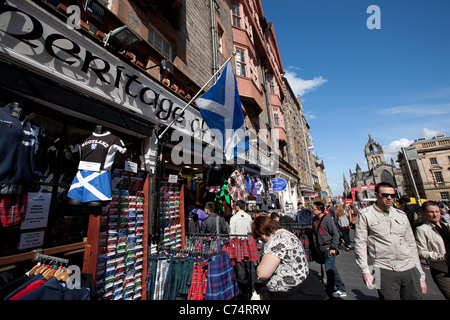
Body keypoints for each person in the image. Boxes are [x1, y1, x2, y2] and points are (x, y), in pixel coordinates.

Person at [354, 182, 427, 300]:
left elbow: (411, 244)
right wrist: (365, 270)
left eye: (392, 195)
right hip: (382, 268)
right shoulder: (365, 214)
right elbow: (360, 243)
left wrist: (420, 275)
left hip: (409, 267)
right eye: (385, 195)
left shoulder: (401, 215)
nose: (389, 198)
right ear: (377, 195)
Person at [251, 215, 327, 300]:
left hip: (291, 293)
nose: (261, 240)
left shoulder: (276, 240)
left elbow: (263, 273)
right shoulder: (287, 234)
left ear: (262, 232)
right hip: (302, 286)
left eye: (259, 237)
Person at [415, 201, 450, 300]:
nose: (435, 215)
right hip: (442, 270)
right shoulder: (422, 229)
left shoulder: (446, 225)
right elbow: (421, 252)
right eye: (431, 212)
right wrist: (441, 256)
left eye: (437, 211)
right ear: (424, 213)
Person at [312, 201, 347, 298]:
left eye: (314, 209)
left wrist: (333, 247)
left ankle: (328, 292)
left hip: (329, 248)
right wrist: (317, 248)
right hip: (322, 248)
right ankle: (341, 288)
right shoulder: (314, 220)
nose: (312, 210)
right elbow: (315, 235)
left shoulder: (327, 219)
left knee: (329, 269)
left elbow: (335, 234)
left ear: (320, 210)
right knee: (332, 269)